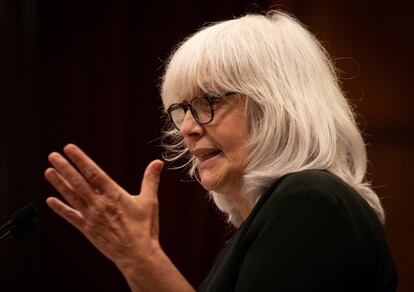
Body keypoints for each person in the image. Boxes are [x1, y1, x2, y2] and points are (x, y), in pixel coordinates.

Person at [45, 11, 398, 292]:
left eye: (208, 102)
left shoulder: (311, 201)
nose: (186, 128)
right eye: (182, 109)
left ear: (278, 105)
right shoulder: (283, 212)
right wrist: (134, 256)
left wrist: (140, 256)